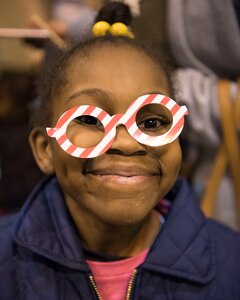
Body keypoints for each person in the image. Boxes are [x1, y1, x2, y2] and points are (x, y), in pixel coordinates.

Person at [0, 2, 240, 299]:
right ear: (44, 149)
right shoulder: (6, 264)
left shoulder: (231, 264)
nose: (126, 143)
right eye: (89, 120)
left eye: (152, 121)